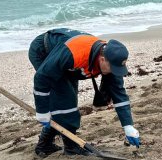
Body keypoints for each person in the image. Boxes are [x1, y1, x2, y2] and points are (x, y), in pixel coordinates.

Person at [28, 28, 140, 157]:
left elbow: (119, 93)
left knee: (68, 99)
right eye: (113, 68)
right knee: (65, 98)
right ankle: (70, 147)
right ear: (102, 59)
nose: (115, 72)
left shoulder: (112, 59)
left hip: (66, 57)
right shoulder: (74, 54)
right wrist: (42, 111)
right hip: (44, 51)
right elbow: (42, 78)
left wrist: (128, 126)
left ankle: (45, 144)